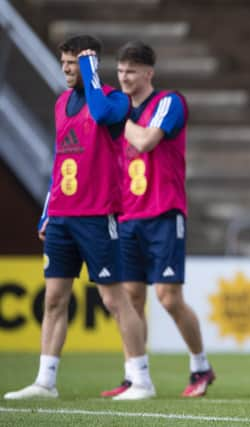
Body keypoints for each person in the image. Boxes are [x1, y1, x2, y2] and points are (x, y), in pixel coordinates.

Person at [3, 35, 155, 401]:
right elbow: (59, 161)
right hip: (61, 216)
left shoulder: (114, 101)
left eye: (73, 63)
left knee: (114, 299)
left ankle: (140, 379)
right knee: (54, 298)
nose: (66, 70)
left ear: (89, 64)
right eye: (65, 64)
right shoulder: (61, 104)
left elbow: (102, 115)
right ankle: (45, 381)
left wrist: (91, 70)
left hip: (97, 215)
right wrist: (46, 211)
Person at [99, 41, 215, 398]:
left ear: (149, 73)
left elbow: (148, 141)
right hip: (128, 215)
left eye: (131, 71)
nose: (124, 77)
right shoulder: (120, 112)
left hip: (164, 212)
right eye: (120, 71)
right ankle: (136, 374)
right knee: (131, 300)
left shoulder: (169, 102)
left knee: (167, 298)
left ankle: (200, 366)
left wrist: (121, 118)